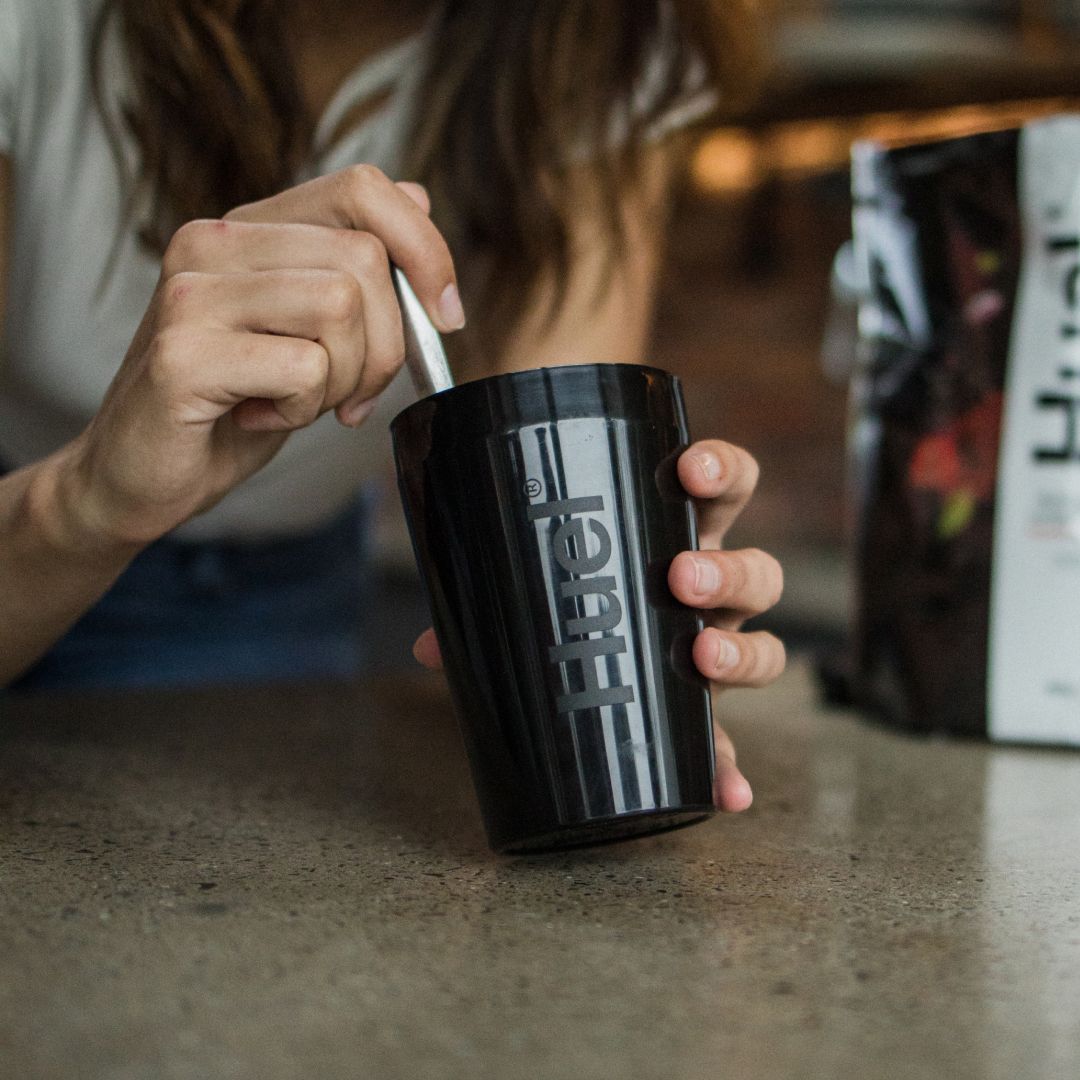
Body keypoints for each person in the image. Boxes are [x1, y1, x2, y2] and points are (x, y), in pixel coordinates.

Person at [0, 0, 785, 811]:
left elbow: (554, 507)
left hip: (294, 586)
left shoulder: (599, 32)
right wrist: (82, 502)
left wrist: (613, 648)